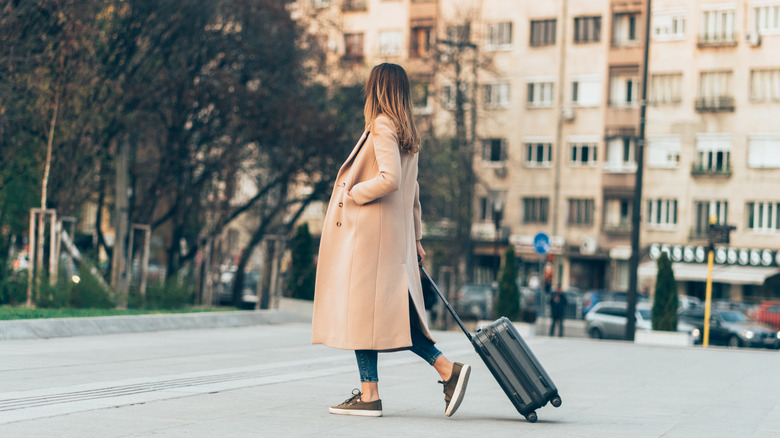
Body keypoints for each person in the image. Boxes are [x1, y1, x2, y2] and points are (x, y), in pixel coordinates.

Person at [311, 63, 471, 418]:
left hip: (371, 241)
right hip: (391, 240)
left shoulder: (382, 125)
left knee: (364, 316)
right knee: (378, 319)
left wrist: (353, 193)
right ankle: (385, 388)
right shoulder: (407, 133)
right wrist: (415, 238)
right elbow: (414, 194)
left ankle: (439, 372)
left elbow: (391, 180)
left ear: (377, 89)